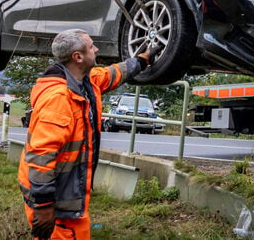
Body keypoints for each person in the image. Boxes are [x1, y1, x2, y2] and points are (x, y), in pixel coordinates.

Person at [18, 29, 161, 239]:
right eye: (91, 46)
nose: (97, 49)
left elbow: (114, 73)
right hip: (55, 203)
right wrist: (44, 207)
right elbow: (41, 155)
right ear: (78, 56)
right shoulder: (58, 98)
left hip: (66, 196)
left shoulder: (86, 82)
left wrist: (142, 60)